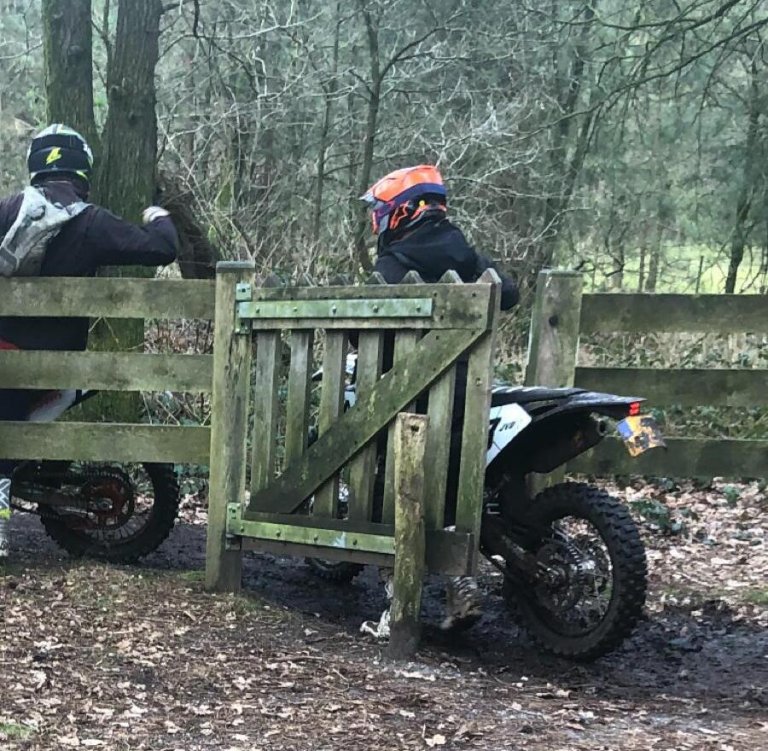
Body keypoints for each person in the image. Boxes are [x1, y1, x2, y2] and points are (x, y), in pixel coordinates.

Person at [0, 124, 179, 560]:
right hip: (63, 365)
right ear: (82, 169)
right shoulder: (92, 221)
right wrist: (157, 214)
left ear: (33, 166)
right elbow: (162, 249)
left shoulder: (7, 210)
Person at [360, 164, 519, 631]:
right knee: (453, 484)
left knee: (391, 490)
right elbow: (507, 292)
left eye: (381, 213)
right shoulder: (463, 251)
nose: (377, 223)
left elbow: (369, 326)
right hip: (467, 394)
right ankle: (459, 584)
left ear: (400, 213)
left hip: (410, 393)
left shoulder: (393, 263)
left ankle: (396, 602)